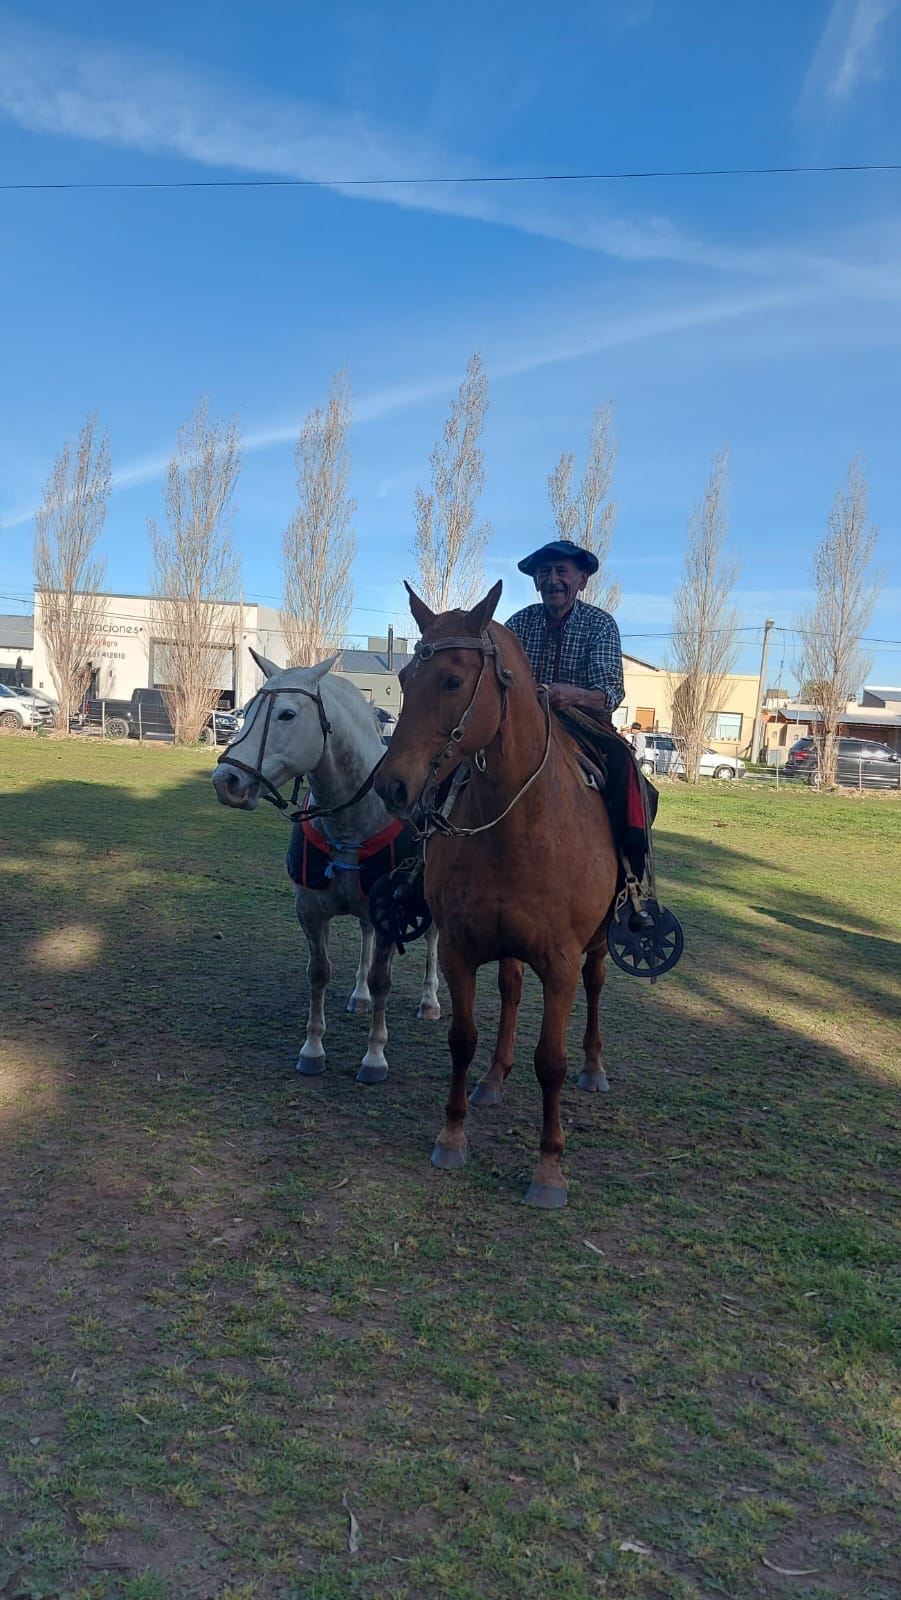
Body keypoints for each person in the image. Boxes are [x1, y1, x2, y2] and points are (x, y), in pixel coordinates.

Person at [504, 538, 624, 719]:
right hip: (520, 721)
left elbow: (610, 694)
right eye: (545, 572)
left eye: (561, 571)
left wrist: (575, 696)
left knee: (617, 748)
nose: (552, 580)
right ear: (536, 582)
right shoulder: (518, 623)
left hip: (582, 726)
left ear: (582, 581)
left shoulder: (600, 624)